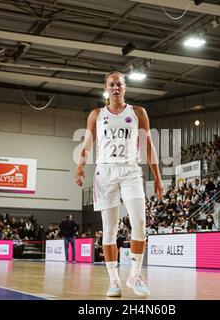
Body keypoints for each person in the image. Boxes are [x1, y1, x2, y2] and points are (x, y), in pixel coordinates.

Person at [74, 71, 164, 297]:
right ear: (106, 87)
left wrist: (158, 176)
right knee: (110, 230)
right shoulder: (96, 114)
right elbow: (86, 144)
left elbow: (148, 145)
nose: (115, 88)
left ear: (125, 88)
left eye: (119, 85)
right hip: (105, 172)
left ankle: (135, 276)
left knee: (139, 223)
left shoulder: (138, 112)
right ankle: (114, 281)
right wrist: (80, 166)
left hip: (131, 171)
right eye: (111, 85)